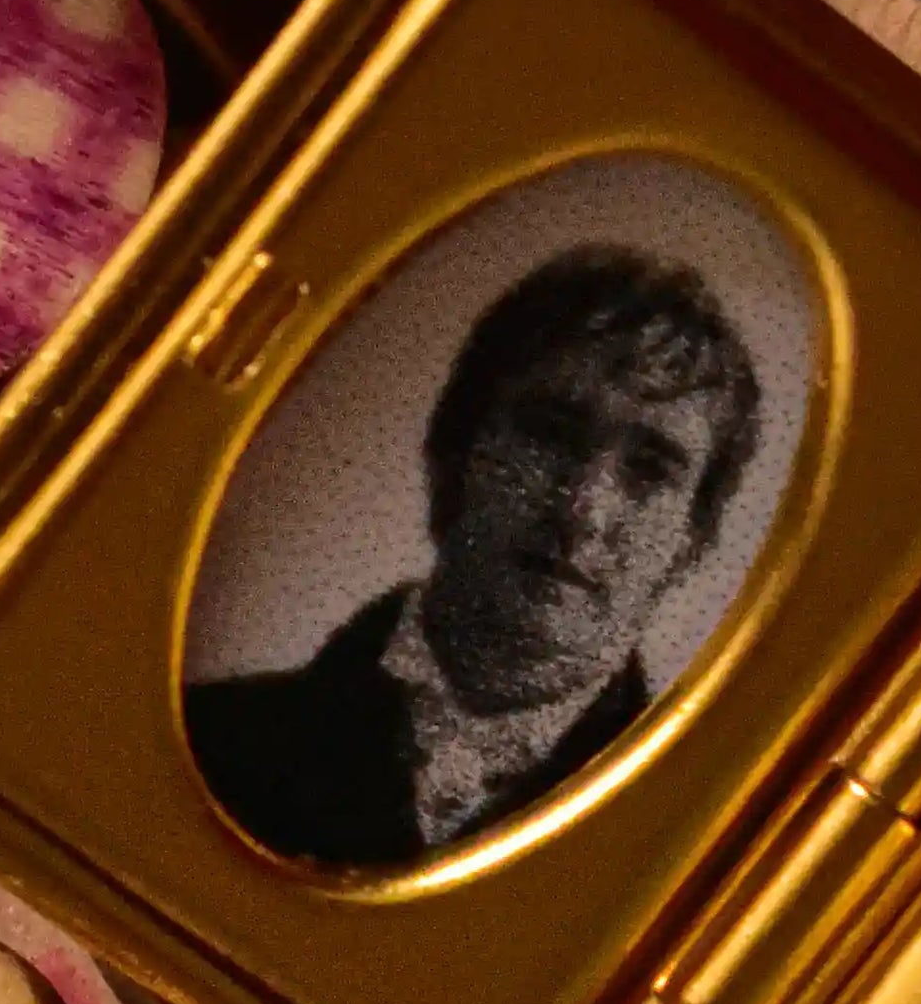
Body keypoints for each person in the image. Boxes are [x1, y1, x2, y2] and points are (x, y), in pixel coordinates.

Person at [187, 247, 769, 867]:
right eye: (551, 434)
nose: (582, 509)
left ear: (691, 542)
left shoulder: (681, 859)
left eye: (650, 470)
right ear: (456, 452)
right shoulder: (211, 742)